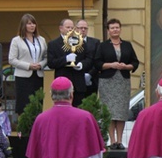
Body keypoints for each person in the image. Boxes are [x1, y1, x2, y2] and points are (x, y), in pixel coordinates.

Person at [93, 18, 139, 149]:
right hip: (107, 82)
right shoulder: (103, 46)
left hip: (123, 81)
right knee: (109, 112)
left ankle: (119, 141)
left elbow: (135, 62)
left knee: (121, 112)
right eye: (112, 28)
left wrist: (126, 66)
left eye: (117, 27)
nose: (115, 30)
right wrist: (111, 65)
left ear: (120, 29)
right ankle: (112, 141)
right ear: (108, 31)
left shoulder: (127, 45)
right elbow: (97, 63)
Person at [47, 18, 93, 107]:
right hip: (62, 85)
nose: (70, 29)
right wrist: (65, 59)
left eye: (72, 27)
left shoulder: (81, 42)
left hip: (78, 84)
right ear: (61, 28)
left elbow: (89, 59)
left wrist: (81, 65)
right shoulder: (53, 44)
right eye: (68, 27)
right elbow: (51, 63)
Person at [8, 13, 47, 115]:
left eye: (33, 23)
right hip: (23, 77)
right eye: (29, 24)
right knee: (24, 105)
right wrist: (28, 66)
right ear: (23, 25)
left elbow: (46, 57)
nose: (32, 26)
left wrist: (41, 64)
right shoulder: (16, 40)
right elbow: (12, 59)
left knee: (38, 103)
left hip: (38, 75)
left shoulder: (41, 39)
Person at [77, 19, 101, 98]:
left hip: (92, 79)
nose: (83, 30)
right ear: (76, 29)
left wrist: (90, 74)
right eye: (81, 28)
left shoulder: (95, 42)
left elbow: (98, 59)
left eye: (85, 28)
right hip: (77, 78)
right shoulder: (71, 42)